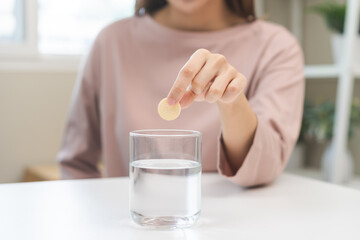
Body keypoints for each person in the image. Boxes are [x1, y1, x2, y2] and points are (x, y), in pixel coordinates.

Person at [57, 0, 304, 187]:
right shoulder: (111, 42)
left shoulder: (276, 46)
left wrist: (232, 101)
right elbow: (75, 164)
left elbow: (265, 168)